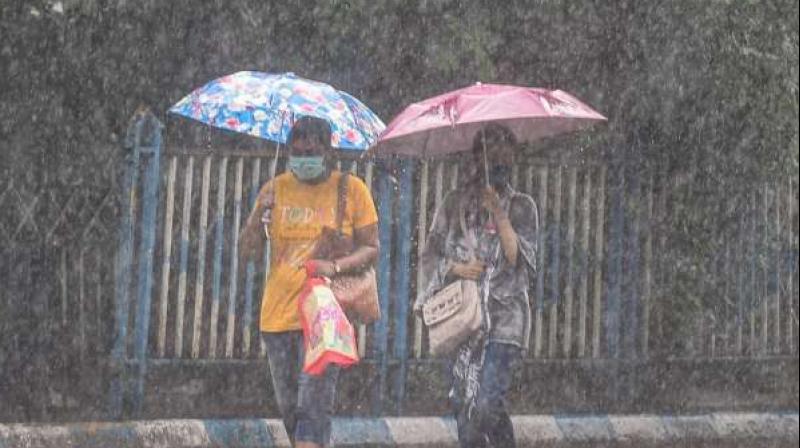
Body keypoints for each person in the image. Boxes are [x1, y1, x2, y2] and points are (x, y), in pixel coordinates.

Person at [239, 116, 379, 448]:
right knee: (291, 413)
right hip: (277, 318)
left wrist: (334, 266)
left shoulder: (351, 190)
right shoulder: (275, 189)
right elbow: (247, 253)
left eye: (311, 152)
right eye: (298, 152)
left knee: (312, 410)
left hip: (323, 316)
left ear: (328, 152)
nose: (304, 159)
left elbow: (372, 249)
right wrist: (258, 215)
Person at [415, 124, 538, 448]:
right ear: (477, 157)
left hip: (504, 321)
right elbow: (430, 255)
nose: (498, 159)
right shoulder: (453, 204)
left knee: (486, 405)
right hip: (463, 321)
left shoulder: (522, 206)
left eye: (504, 151)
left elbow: (517, 258)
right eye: (490, 151)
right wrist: (456, 268)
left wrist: (497, 210)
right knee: (464, 408)